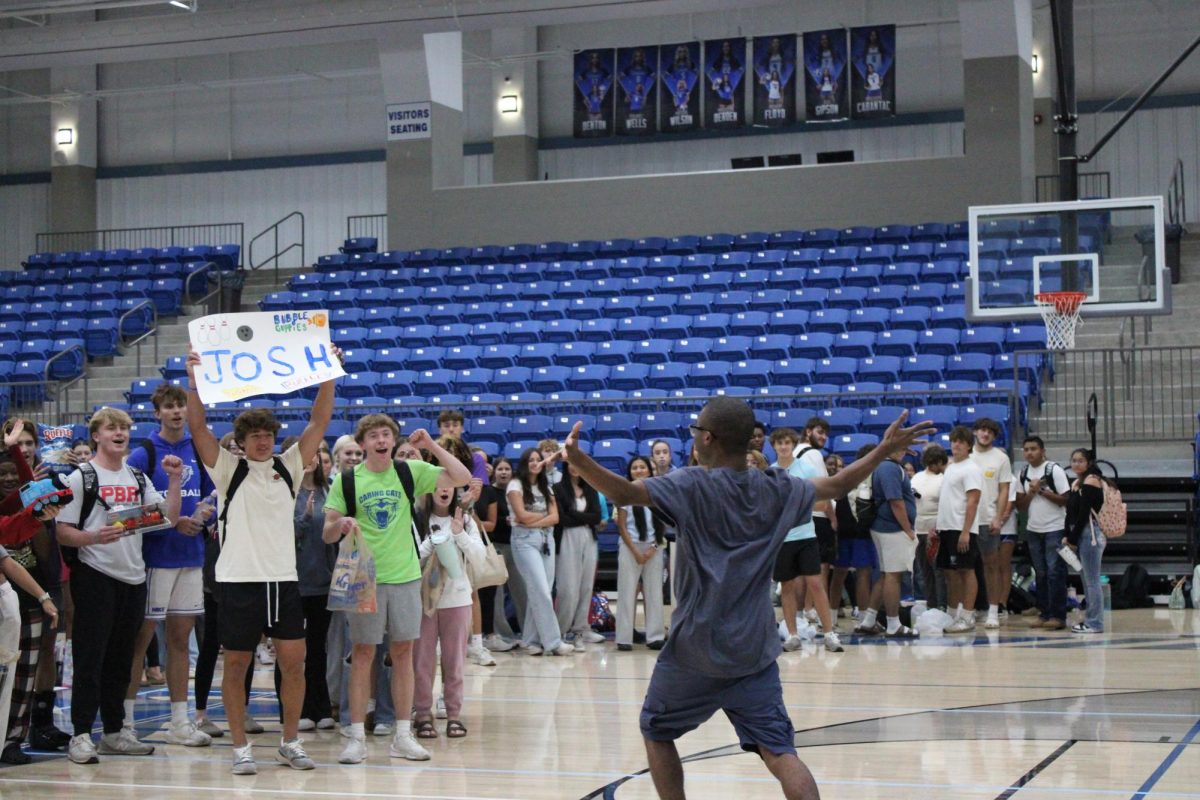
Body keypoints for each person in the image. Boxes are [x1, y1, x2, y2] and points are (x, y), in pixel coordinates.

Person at [562, 398, 931, 800]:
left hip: (694, 650)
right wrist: (882, 449)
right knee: (781, 753)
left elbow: (625, 494)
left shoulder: (690, 484)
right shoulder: (777, 486)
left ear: (707, 437)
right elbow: (839, 486)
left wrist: (579, 460)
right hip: (754, 650)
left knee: (657, 730)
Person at [184, 348, 338, 775]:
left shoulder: (289, 466)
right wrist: (194, 383)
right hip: (237, 581)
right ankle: (240, 748)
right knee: (236, 664)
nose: (263, 440)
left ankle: (290, 742)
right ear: (242, 440)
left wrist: (328, 375)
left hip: (283, 582)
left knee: (294, 664)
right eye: (254, 435)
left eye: (267, 433)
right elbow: (197, 426)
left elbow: (318, 422)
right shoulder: (227, 469)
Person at [323, 415, 471, 765]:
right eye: (373, 435)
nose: (380, 439)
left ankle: (402, 735)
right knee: (362, 655)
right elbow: (327, 532)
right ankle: (356, 736)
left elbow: (462, 478)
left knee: (403, 654)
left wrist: (431, 446)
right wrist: (340, 525)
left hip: (406, 576)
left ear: (393, 439)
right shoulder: (347, 480)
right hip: (364, 577)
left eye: (386, 434)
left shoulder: (409, 471)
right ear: (362, 444)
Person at [56, 407, 184, 765]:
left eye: (125, 428)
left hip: (133, 576)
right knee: (90, 657)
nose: (120, 433)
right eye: (112, 428)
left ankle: (114, 731)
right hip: (95, 574)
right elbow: (63, 532)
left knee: (122, 658)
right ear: (96, 435)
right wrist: (94, 537)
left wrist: (174, 480)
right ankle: (81, 733)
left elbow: (168, 518)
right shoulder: (80, 477)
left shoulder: (137, 477)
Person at [124, 384, 215, 747]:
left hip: (191, 557)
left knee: (180, 641)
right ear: (157, 412)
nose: (177, 411)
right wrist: (172, 519)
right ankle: (125, 722)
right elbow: (129, 514)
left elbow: (214, 492)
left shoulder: (197, 447)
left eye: (181, 405)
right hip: (153, 559)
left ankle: (180, 722)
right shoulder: (142, 454)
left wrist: (203, 516)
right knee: (139, 642)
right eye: (169, 406)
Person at [193, 432, 255, 739]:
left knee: (247, 647)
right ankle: (201, 713)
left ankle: (242, 710)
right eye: (232, 450)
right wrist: (201, 517)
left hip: (248, 579)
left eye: (241, 451)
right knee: (210, 646)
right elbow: (195, 524)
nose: (238, 455)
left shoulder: (256, 491)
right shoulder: (213, 496)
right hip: (215, 582)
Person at [412, 487, 484, 740]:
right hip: (423, 601)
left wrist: (459, 534)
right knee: (422, 662)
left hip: (458, 599)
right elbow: (409, 558)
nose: (443, 489)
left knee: (455, 662)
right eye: (437, 484)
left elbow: (479, 556)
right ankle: (422, 714)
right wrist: (431, 543)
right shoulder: (416, 518)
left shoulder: (464, 519)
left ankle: (454, 714)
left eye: (448, 484)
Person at [769, 429, 841, 653]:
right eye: (779, 443)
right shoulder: (770, 473)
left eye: (787, 442)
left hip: (806, 535)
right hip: (782, 538)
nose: (783, 446)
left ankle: (829, 633)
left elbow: (821, 504)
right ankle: (792, 635)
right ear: (774, 446)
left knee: (816, 583)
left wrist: (794, 506)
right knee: (787, 586)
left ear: (793, 444)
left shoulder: (807, 470)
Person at [0, 524, 61, 751]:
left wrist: (43, 597)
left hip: (24, 601)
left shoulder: (31, 513)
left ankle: (13, 739)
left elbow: (10, 562)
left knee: (21, 675)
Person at [507, 448, 571, 657]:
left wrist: (533, 518)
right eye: (530, 460)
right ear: (524, 463)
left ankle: (531, 640)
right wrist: (540, 516)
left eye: (538, 460)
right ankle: (553, 642)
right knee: (541, 590)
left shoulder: (547, 487)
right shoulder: (515, 485)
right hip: (524, 542)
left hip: (547, 540)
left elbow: (555, 518)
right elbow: (521, 516)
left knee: (540, 590)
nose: (535, 463)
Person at [291, 447, 336, 730]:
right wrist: (304, 518)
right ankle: (298, 709)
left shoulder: (329, 490)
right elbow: (283, 535)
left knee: (319, 649)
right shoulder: (285, 492)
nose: (312, 459)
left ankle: (321, 707)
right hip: (293, 582)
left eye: (317, 454)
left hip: (324, 581)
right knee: (294, 651)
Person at [1015, 437, 1070, 630]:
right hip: (1033, 529)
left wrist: (1042, 491)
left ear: (1042, 451)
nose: (1029, 452)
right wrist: (1031, 493)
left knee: (1055, 572)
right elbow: (1021, 505)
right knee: (1041, 573)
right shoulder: (1023, 473)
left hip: (1055, 527)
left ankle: (1058, 615)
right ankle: (1044, 612)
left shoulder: (1053, 470)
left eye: (1033, 449)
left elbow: (1065, 499)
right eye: (1026, 449)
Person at [867, 441, 919, 638]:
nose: (903, 450)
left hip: (883, 526)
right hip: (893, 528)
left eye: (904, 447)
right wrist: (908, 529)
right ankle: (893, 623)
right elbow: (896, 501)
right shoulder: (889, 468)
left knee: (883, 575)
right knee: (893, 575)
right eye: (899, 446)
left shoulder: (883, 465)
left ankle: (869, 619)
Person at [615, 456, 665, 652]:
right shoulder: (624, 494)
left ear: (649, 470)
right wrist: (636, 551)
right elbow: (621, 526)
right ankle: (624, 638)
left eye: (642, 467)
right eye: (634, 468)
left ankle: (655, 636)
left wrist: (652, 547)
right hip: (630, 547)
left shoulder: (658, 493)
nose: (638, 470)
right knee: (627, 592)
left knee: (654, 593)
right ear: (630, 472)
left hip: (654, 547)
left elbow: (662, 522)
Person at [553, 462, 605, 650]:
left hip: (588, 539)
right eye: (571, 464)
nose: (575, 467)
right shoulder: (558, 488)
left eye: (578, 464)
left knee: (586, 585)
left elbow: (597, 517)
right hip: (567, 537)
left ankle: (580, 629)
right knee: (568, 587)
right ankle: (560, 630)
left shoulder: (590, 488)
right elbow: (562, 518)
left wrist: (574, 513)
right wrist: (583, 516)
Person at [939, 427, 985, 635]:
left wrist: (966, 531)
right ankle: (952, 613)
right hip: (946, 527)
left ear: (968, 445)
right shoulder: (950, 467)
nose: (956, 445)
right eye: (953, 441)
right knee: (950, 572)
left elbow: (973, 501)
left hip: (961, 528)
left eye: (960, 442)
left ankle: (967, 615)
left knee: (967, 570)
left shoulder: (971, 469)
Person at [970, 419, 1013, 629]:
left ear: (994, 436)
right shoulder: (965, 456)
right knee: (964, 568)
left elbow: (1004, 489)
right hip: (965, 522)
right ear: (975, 432)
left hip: (988, 519)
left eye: (989, 431)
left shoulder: (1001, 458)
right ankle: (966, 611)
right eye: (982, 430)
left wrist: (999, 516)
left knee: (991, 565)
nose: (985, 434)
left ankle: (993, 611)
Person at [829, 448, 878, 626]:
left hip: (863, 532)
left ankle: (864, 619)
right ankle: (831, 617)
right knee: (839, 574)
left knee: (863, 573)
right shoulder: (847, 477)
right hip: (844, 532)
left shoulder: (874, 477)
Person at [793, 418, 834, 626]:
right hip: (817, 517)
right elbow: (824, 489)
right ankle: (816, 613)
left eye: (826, 433)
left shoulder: (792, 452)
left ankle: (800, 614)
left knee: (799, 571)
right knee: (818, 570)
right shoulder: (814, 454)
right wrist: (833, 519)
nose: (824, 437)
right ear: (808, 431)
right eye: (820, 432)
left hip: (796, 517)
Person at [483, 457, 524, 647]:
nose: (504, 472)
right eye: (500, 469)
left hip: (516, 545)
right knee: (497, 596)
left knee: (521, 591)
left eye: (507, 469)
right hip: (496, 547)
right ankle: (503, 635)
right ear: (494, 471)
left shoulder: (517, 492)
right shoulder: (490, 492)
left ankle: (527, 633)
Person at [1064, 448, 1106, 634]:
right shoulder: (1077, 483)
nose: (1076, 464)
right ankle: (1091, 619)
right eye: (1073, 460)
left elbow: (1083, 514)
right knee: (1086, 579)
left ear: (1088, 463)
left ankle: (1095, 622)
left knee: (1092, 580)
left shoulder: (1092, 481)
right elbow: (1070, 512)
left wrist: (1072, 538)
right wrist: (1068, 534)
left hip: (1090, 534)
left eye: (1080, 461)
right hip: (1080, 533)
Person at [910, 445, 948, 610]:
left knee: (938, 571)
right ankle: (931, 605)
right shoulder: (916, 478)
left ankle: (942, 605)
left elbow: (946, 506)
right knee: (925, 571)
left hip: (936, 531)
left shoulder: (943, 479)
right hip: (919, 530)